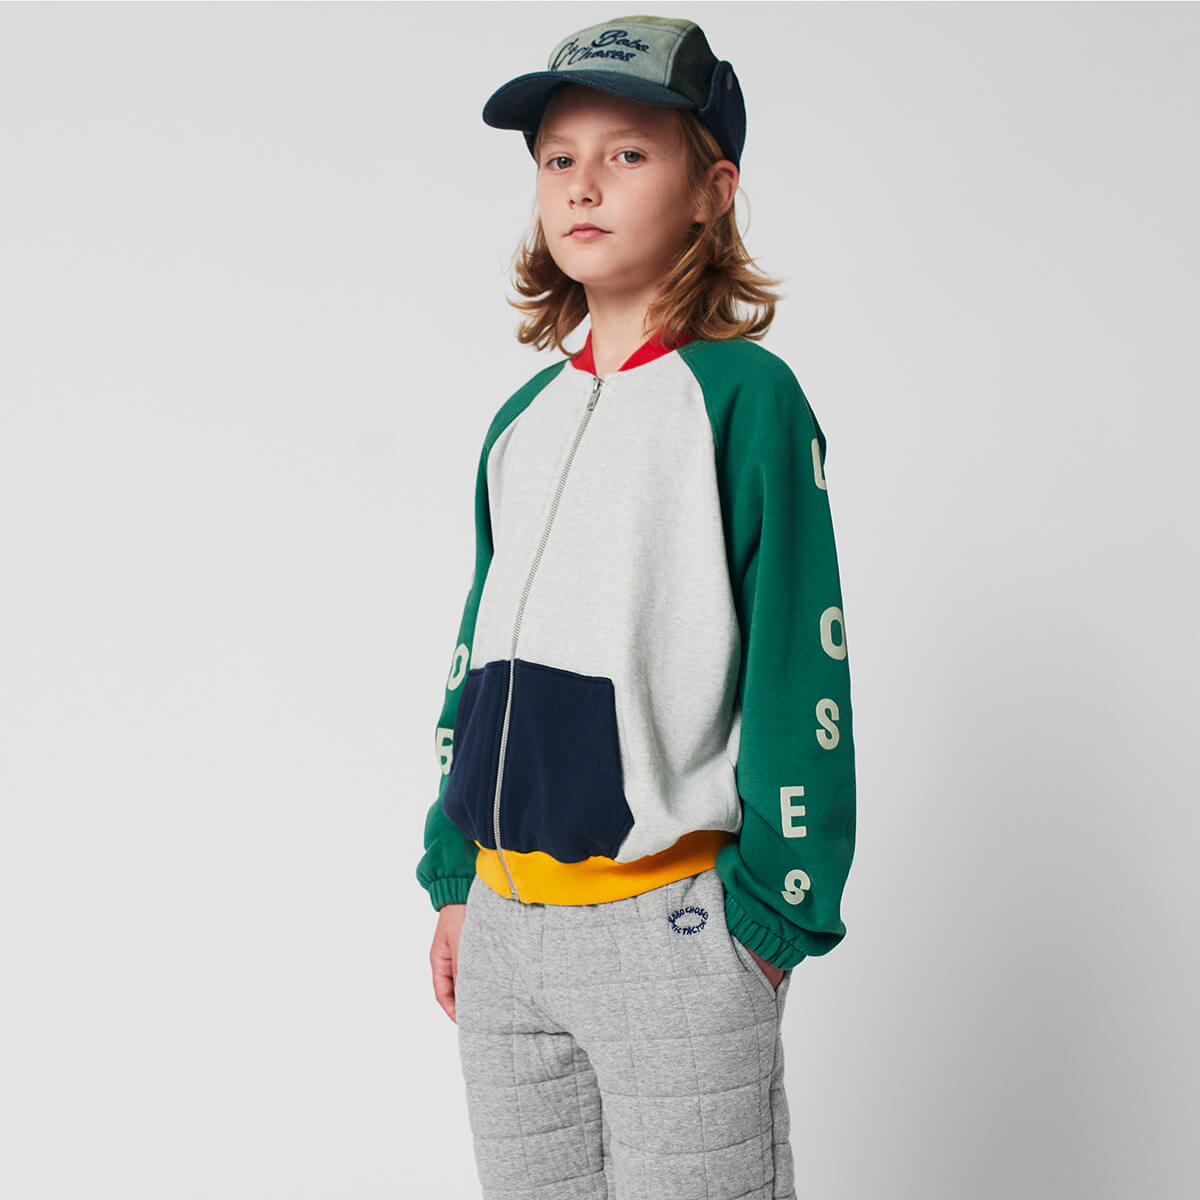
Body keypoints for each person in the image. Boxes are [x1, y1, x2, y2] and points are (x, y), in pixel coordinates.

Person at [415, 14, 856, 1199]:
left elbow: (799, 656)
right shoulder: (521, 422)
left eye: (628, 153)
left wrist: (774, 914)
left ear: (713, 190)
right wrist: (454, 876)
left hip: (672, 930)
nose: (583, 184)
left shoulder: (745, 398)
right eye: (559, 157)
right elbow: (477, 654)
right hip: (506, 935)